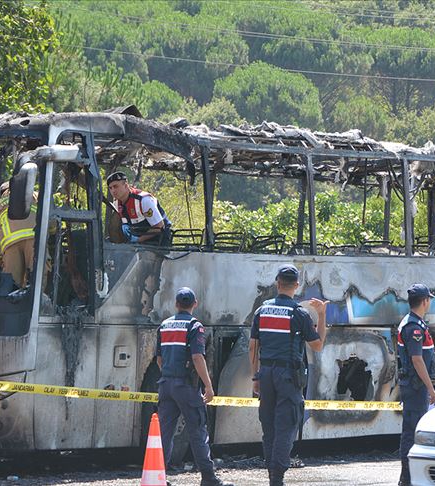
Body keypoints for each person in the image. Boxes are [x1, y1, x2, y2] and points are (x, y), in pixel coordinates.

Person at [249, 264, 328, 486]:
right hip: (288, 376)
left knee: (269, 427)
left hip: (265, 373)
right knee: (286, 426)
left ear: (277, 283)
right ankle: (277, 479)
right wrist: (321, 316)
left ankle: (271, 475)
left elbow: (253, 346)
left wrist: (255, 377)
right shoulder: (299, 313)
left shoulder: (262, 310)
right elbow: (318, 346)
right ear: (296, 285)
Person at [156, 287, 233, 486]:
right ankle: (208, 478)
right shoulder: (194, 326)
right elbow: (198, 357)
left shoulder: (164, 325)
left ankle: (158, 477)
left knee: (164, 433)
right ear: (195, 304)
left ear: (175, 304)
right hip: (186, 387)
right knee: (198, 431)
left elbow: (159, 359)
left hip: (165, 384)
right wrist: (208, 386)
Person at [397, 283, 435, 486]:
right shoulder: (413, 327)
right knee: (412, 433)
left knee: (412, 431)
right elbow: (417, 359)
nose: (429, 302)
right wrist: (430, 389)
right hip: (415, 387)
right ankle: (407, 479)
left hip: (414, 386)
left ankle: (408, 478)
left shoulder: (414, 323)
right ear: (424, 301)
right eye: (429, 299)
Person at [0, 181, 36, 286]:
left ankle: (13, 300)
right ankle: (37, 300)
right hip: (35, 240)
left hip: (11, 244)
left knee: (11, 282)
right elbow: (51, 222)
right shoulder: (36, 197)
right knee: (37, 278)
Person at [106, 171, 172, 246]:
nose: (113, 191)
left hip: (159, 240)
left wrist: (138, 240)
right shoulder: (117, 204)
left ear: (126, 185)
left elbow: (159, 226)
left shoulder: (143, 200)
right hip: (138, 242)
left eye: (116, 186)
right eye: (110, 188)